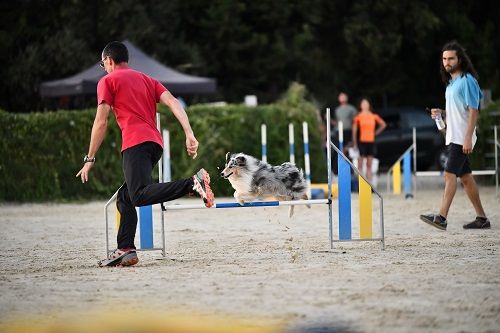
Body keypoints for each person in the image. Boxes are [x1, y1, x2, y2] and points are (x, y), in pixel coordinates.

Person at [76, 41, 215, 267]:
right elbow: (173, 102)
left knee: (138, 194)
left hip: (135, 143)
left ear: (109, 61)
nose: (105, 68)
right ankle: (126, 250)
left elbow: (101, 122)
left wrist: (90, 158)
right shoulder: (147, 79)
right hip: (154, 145)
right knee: (126, 196)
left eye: (104, 64)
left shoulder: (107, 81)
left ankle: (192, 184)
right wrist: (189, 133)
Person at [420, 41, 490, 230]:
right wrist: (440, 113)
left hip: (462, 137)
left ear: (460, 59)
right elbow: (457, 112)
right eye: (444, 59)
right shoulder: (451, 84)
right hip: (454, 135)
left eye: (451, 58)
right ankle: (482, 218)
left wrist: (468, 137)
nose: (447, 62)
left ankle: (441, 217)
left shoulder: (467, 80)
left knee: (449, 175)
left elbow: (474, 111)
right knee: (466, 178)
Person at [351, 97, 386, 182]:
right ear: (361, 106)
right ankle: (360, 184)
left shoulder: (374, 116)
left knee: (369, 165)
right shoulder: (358, 117)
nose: (365, 105)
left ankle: (369, 184)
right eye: (363, 104)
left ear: (369, 105)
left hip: (371, 141)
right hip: (361, 142)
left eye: (366, 104)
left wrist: (375, 133)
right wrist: (354, 143)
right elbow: (354, 131)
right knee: (360, 164)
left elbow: (383, 125)